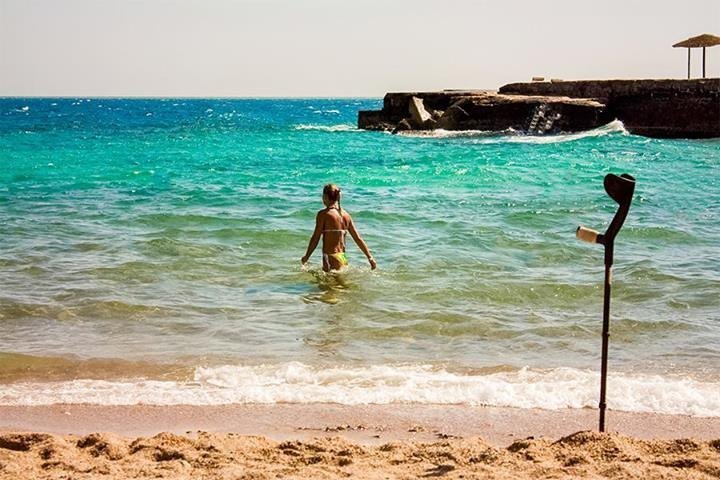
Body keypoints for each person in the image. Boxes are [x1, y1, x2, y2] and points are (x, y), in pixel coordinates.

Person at [301, 184, 377, 272]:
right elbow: (357, 238)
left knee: (325, 280)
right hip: (342, 257)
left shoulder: (323, 215)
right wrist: (370, 258)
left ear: (325, 197)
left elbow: (315, 238)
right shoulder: (346, 215)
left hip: (330, 256)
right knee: (340, 280)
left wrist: (307, 256)